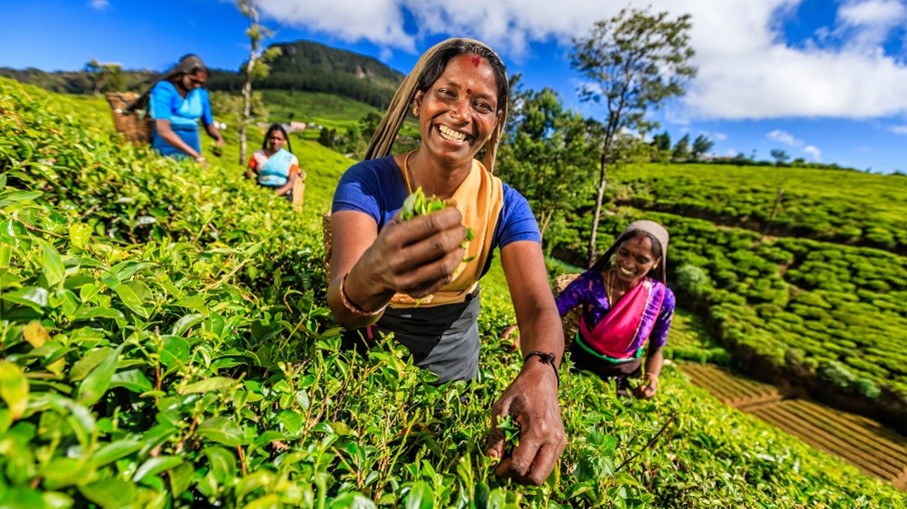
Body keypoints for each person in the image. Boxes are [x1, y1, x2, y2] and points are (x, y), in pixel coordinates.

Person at [327, 38, 565, 485]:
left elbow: (537, 307)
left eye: (481, 104)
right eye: (447, 93)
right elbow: (342, 304)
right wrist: (373, 276)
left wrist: (542, 370)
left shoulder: (505, 206)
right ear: (419, 102)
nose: (461, 114)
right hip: (368, 343)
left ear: (494, 125)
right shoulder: (368, 183)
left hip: (453, 350)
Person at [555, 220, 675, 398]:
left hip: (623, 382)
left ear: (656, 263)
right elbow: (553, 312)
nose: (628, 263)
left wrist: (651, 380)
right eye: (623, 253)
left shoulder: (662, 299)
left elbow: (656, 349)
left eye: (641, 260)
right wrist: (522, 329)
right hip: (577, 368)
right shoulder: (590, 283)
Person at [149, 54, 224, 162]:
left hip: (192, 145)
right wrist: (196, 156)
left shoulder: (201, 94)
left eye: (201, 83)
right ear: (182, 74)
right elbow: (163, 130)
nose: (197, 85)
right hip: (166, 146)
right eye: (193, 80)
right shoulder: (164, 89)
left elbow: (208, 124)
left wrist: (218, 138)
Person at [246, 123, 302, 201]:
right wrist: (249, 174)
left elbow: (290, 183)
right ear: (268, 138)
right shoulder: (257, 155)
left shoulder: (291, 159)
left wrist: (274, 195)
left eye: (279, 139)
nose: (275, 141)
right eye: (272, 138)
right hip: (260, 191)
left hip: (283, 194)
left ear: (284, 141)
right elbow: (249, 171)